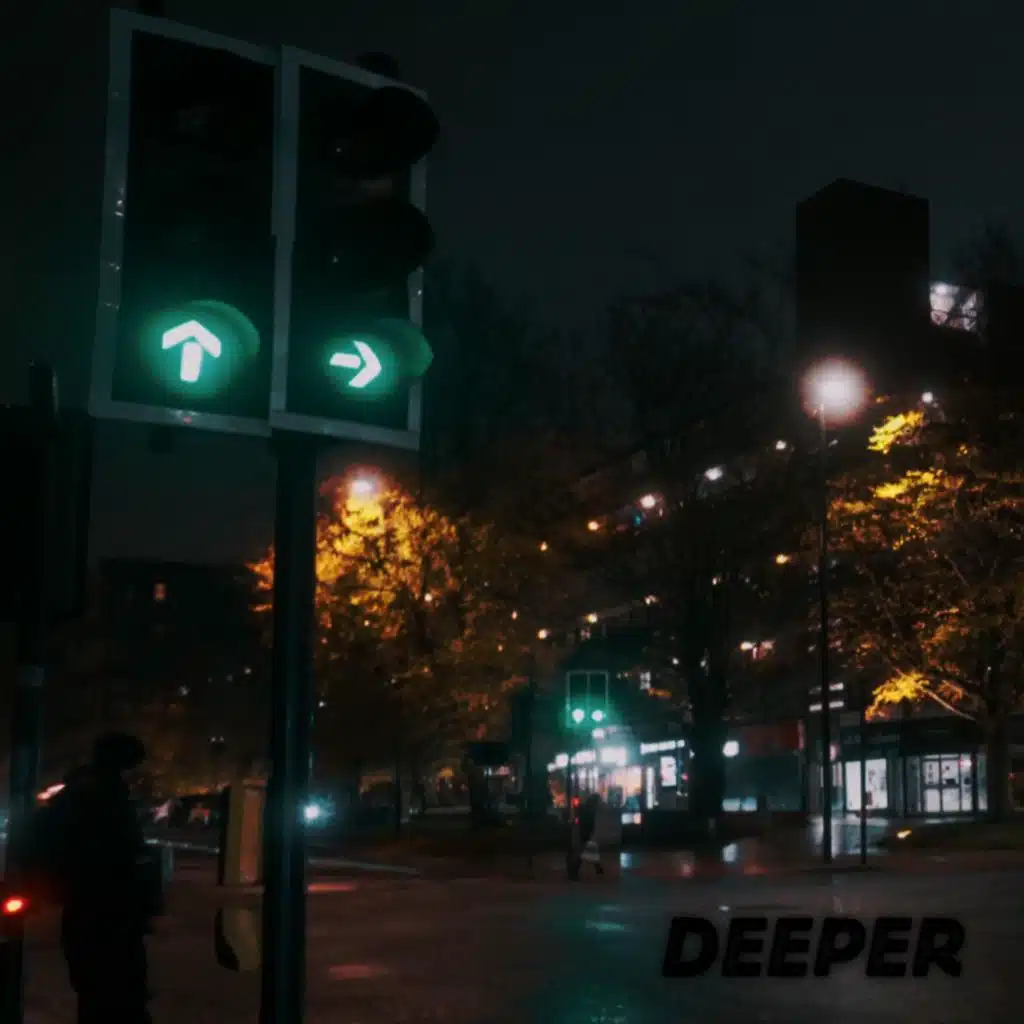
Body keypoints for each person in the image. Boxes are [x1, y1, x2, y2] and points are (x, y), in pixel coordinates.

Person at [51, 733, 160, 1024]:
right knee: (115, 993)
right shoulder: (105, 795)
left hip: (87, 907)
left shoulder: (80, 790)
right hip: (108, 910)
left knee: (95, 994)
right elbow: (120, 852)